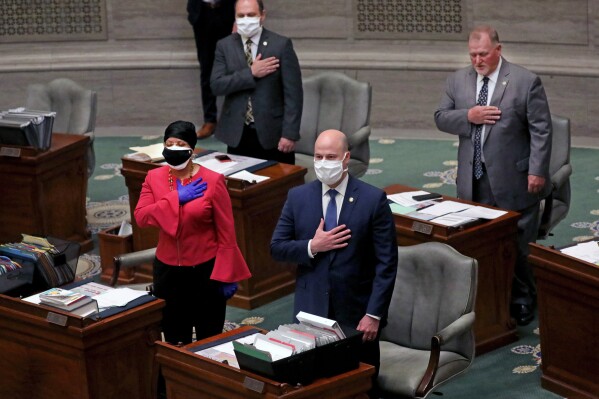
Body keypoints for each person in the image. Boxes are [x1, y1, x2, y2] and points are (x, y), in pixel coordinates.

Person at [434, 25, 552, 326]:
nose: (477, 60)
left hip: (515, 178)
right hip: (473, 180)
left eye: (483, 54)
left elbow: (541, 130)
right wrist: (468, 116)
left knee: (517, 246)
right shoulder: (458, 80)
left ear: (498, 50)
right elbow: (440, 117)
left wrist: (537, 170)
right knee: (479, 244)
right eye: (473, 54)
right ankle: (490, 299)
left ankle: (524, 297)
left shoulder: (525, 82)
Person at [270, 129, 398, 397]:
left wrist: (374, 315)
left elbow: (386, 263)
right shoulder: (298, 197)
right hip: (309, 312)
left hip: (356, 315)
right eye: (318, 156)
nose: (323, 162)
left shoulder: (373, 200)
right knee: (314, 386)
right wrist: (312, 246)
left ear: (346, 158)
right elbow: (277, 248)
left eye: (331, 156)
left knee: (360, 384)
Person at [134, 120, 251, 345]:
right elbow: (142, 217)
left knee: (210, 339)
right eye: (169, 144)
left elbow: (226, 232)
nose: (174, 149)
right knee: (175, 337)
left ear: (192, 149)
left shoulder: (213, 181)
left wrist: (227, 273)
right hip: (168, 272)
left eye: (180, 144)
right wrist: (176, 198)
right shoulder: (154, 178)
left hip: (205, 272)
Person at [210, 0, 303, 164]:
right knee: (242, 184)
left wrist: (289, 134)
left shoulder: (281, 45)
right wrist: (251, 73)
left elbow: (293, 95)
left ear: (262, 15)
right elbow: (217, 85)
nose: (246, 19)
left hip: (273, 133)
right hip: (238, 133)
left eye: (251, 15)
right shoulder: (224, 45)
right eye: (241, 15)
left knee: (278, 186)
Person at [186, 0, 236, 139]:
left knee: (233, 66)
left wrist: (239, 17)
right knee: (207, 69)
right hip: (202, 13)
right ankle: (210, 121)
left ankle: (234, 120)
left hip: (227, 11)